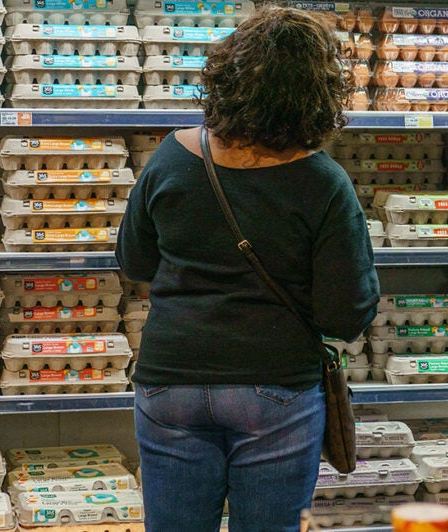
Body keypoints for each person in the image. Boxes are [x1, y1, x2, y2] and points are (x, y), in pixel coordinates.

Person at [115, 5, 380, 531]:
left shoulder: (171, 156)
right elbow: (345, 312)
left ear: (225, 75)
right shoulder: (324, 181)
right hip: (275, 384)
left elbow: (135, 261)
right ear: (319, 92)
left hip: (171, 380)